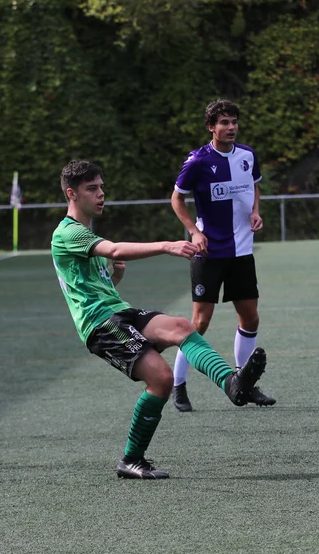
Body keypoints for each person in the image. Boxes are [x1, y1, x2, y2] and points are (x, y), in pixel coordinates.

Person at [52, 160, 268, 479]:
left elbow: (90, 288)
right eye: (92, 189)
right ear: (72, 194)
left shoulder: (84, 233)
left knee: (182, 327)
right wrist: (167, 245)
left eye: (101, 187)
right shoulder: (68, 232)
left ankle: (232, 383)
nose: (101, 194)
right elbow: (114, 250)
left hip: (117, 311)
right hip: (100, 325)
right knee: (161, 378)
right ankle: (131, 460)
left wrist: (115, 278)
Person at [169, 99, 275, 413]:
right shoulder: (198, 161)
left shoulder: (247, 155)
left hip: (242, 251)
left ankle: (245, 384)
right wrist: (194, 231)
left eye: (234, 122)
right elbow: (177, 199)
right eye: (224, 122)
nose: (231, 127)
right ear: (211, 127)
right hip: (209, 253)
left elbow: (254, 186)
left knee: (250, 317)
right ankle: (178, 385)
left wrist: (255, 212)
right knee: (199, 323)